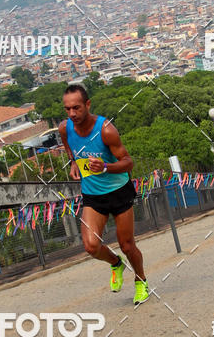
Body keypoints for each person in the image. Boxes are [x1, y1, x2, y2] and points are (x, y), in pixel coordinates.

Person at [58, 84, 149, 304]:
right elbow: (68, 147)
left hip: (119, 192)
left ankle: (141, 280)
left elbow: (128, 163)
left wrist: (106, 167)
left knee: (127, 245)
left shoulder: (106, 130)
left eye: (77, 108)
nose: (72, 114)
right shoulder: (64, 128)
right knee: (91, 246)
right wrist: (72, 163)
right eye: (68, 109)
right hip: (92, 194)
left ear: (87, 104)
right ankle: (115, 263)